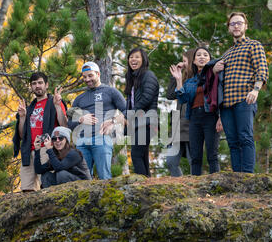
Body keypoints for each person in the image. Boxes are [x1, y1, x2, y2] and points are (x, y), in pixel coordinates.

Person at [213, 12, 269, 173]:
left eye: (239, 23)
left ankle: (247, 176)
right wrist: (215, 70)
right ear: (229, 28)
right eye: (232, 24)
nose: (236, 26)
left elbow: (262, 69)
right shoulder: (226, 53)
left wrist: (256, 89)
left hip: (245, 99)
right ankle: (237, 176)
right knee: (232, 141)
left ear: (246, 26)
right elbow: (218, 82)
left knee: (245, 137)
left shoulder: (254, 45)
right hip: (226, 104)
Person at [67, 61, 126, 180]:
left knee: (104, 177)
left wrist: (113, 122)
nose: (87, 79)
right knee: (83, 179)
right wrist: (81, 119)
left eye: (90, 75)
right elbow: (70, 124)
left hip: (102, 138)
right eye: (84, 77)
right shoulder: (79, 98)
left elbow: (127, 111)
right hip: (82, 142)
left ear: (98, 74)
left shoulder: (111, 92)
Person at [13, 72, 68, 192]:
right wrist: (22, 117)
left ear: (46, 85)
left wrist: (58, 106)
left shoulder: (54, 102)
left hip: (47, 149)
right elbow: (22, 135)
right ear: (31, 87)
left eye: (40, 83)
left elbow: (64, 125)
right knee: (27, 190)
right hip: (29, 152)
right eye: (34, 84)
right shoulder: (29, 109)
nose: (37, 86)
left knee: (48, 186)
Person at [172, 46, 221, 175]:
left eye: (205, 55)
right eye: (198, 55)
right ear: (193, 61)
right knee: (195, 157)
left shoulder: (215, 76)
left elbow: (221, 97)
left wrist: (221, 117)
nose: (202, 57)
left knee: (212, 155)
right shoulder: (190, 82)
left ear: (210, 59)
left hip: (211, 117)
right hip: (194, 118)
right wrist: (178, 80)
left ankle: (216, 186)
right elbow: (183, 99)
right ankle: (197, 187)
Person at [125, 48, 159, 177]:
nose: (133, 60)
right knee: (143, 156)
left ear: (143, 59)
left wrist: (129, 114)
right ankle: (148, 184)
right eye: (131, 57)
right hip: (137, 123)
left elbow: (146, 98)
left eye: (137, 57)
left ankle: (142, 184)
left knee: (136, 154)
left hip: (147, 122)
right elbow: (130, 102)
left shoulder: (148, 75)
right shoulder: (133, 78)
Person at [165, 49, 195, 176]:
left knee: (193, 161)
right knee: (171, 161)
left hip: (191, 126)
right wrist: (176, 75)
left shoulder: (199, 79)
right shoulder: (182, 79)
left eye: (184, 61)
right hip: (178, 127)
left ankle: (197, 188)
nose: (182, 63)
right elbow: (170, 95)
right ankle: (180, 185)